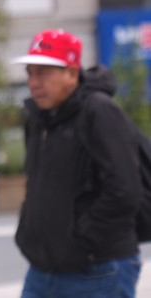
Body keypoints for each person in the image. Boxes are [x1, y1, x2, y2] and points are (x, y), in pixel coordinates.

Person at [11, 29, 142, 297]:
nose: (33, 83)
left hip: (97, 269)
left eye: (43, 73)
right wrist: (28, 232)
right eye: (30, 73)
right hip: (43, 269)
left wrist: (80, 240)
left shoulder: (99, 110)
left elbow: (125, 190)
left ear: (71, 73)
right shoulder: (37, 117)